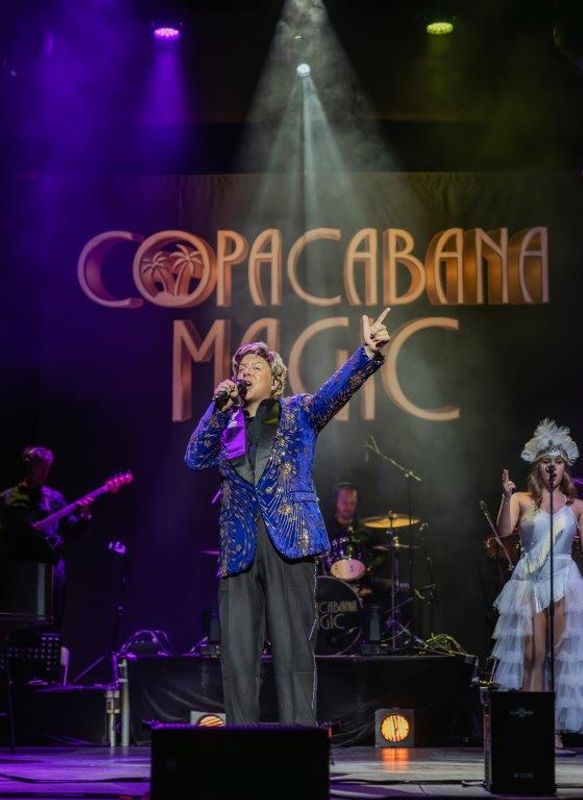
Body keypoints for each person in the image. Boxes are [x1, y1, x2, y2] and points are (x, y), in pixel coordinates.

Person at [185, 309, 390, 725]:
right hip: (240, 546)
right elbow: (193, 458)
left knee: (294, 648)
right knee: (238, 654)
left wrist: (366, 353)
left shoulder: (298, 413)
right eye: (241, 367)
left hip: (290, 541)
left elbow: (335, 392)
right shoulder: (229, 425)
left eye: (255, 367)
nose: (245, 372)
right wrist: (217, 407)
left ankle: (299, 742)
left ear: (274, 378)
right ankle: (241, 741)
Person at [490, 419, 583, 745]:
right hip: (531, 579)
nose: (552, 468)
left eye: (558, 462)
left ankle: (554, 729)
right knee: (533, 655)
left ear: (565, 467)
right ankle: (529, 726)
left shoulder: (577, 507)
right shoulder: (522, 501)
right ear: (538, 466)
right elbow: (503, 533)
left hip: (563, 580)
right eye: (546, 462)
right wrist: (505, 496)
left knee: (557, 658)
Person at [0, 446, 92, 632]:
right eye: (41, 467)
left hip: (50, 566)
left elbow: (71, 530)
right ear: (29, 466)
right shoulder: (7, 498)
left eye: (48, 468)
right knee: (19, 620)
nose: (45, 472)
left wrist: (85, 516)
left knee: (51, 618)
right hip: (20, 566)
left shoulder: (55, 498)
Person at [324, 482, 387, 600]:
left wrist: (370, 568)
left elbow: (381, 554)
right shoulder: (325, 527)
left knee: (391, 587)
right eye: (344, 503)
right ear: (336, 502)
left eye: (352, 503)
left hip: (362, 583)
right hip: (333, 583)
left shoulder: (365, 528)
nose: (348, 507)